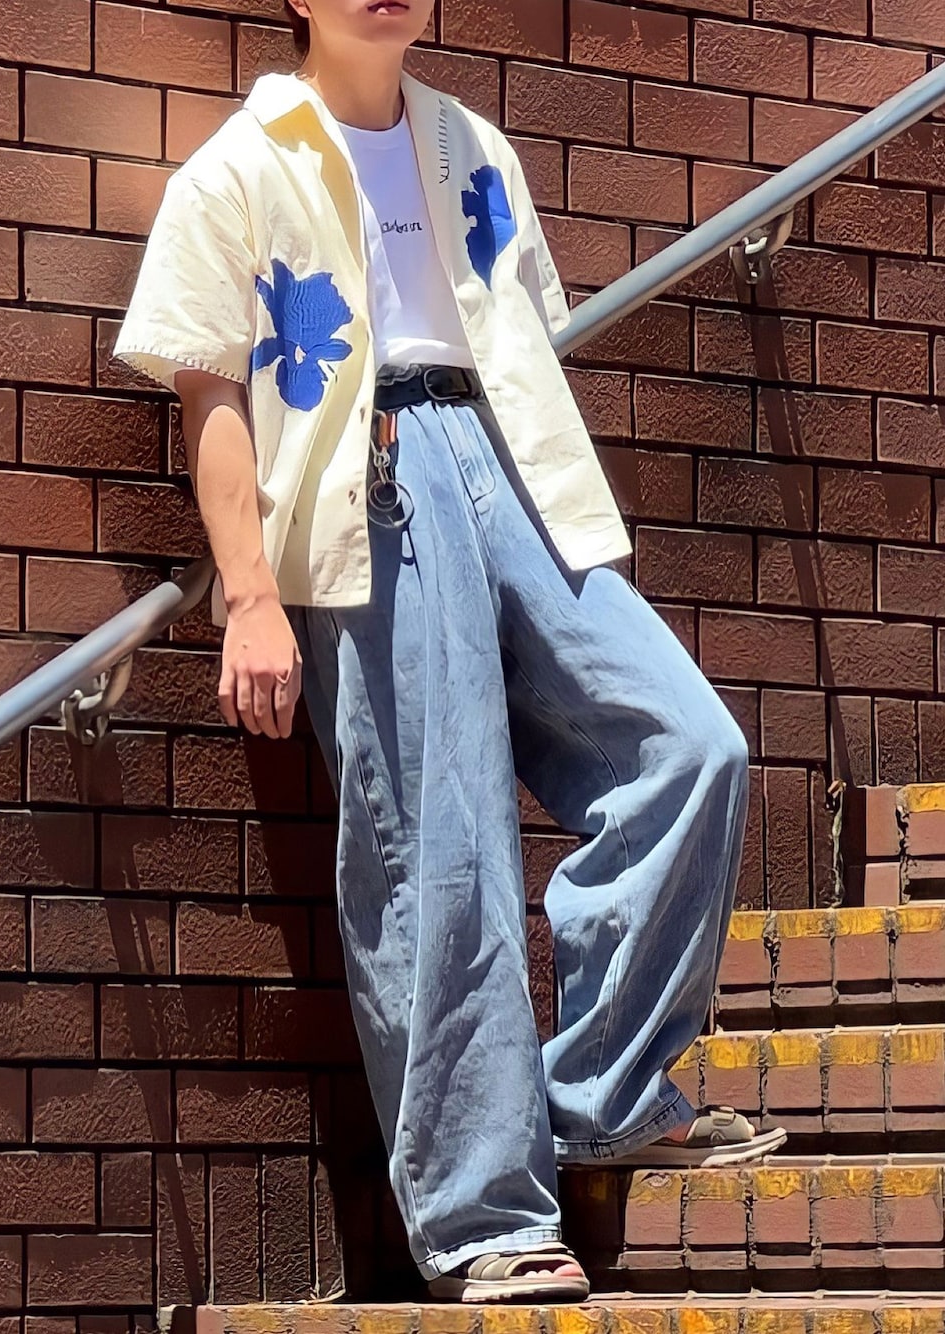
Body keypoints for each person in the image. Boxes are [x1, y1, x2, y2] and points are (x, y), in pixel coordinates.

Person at [115, 0, 786, 1304]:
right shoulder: (237, 169)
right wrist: (250, 595)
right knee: (443, 841)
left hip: (509, 462)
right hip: (370, 485)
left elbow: (525, 333)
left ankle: (600, 1096)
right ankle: (483, 1215)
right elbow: (212, 395)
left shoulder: (471, 144)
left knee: (689, 744)